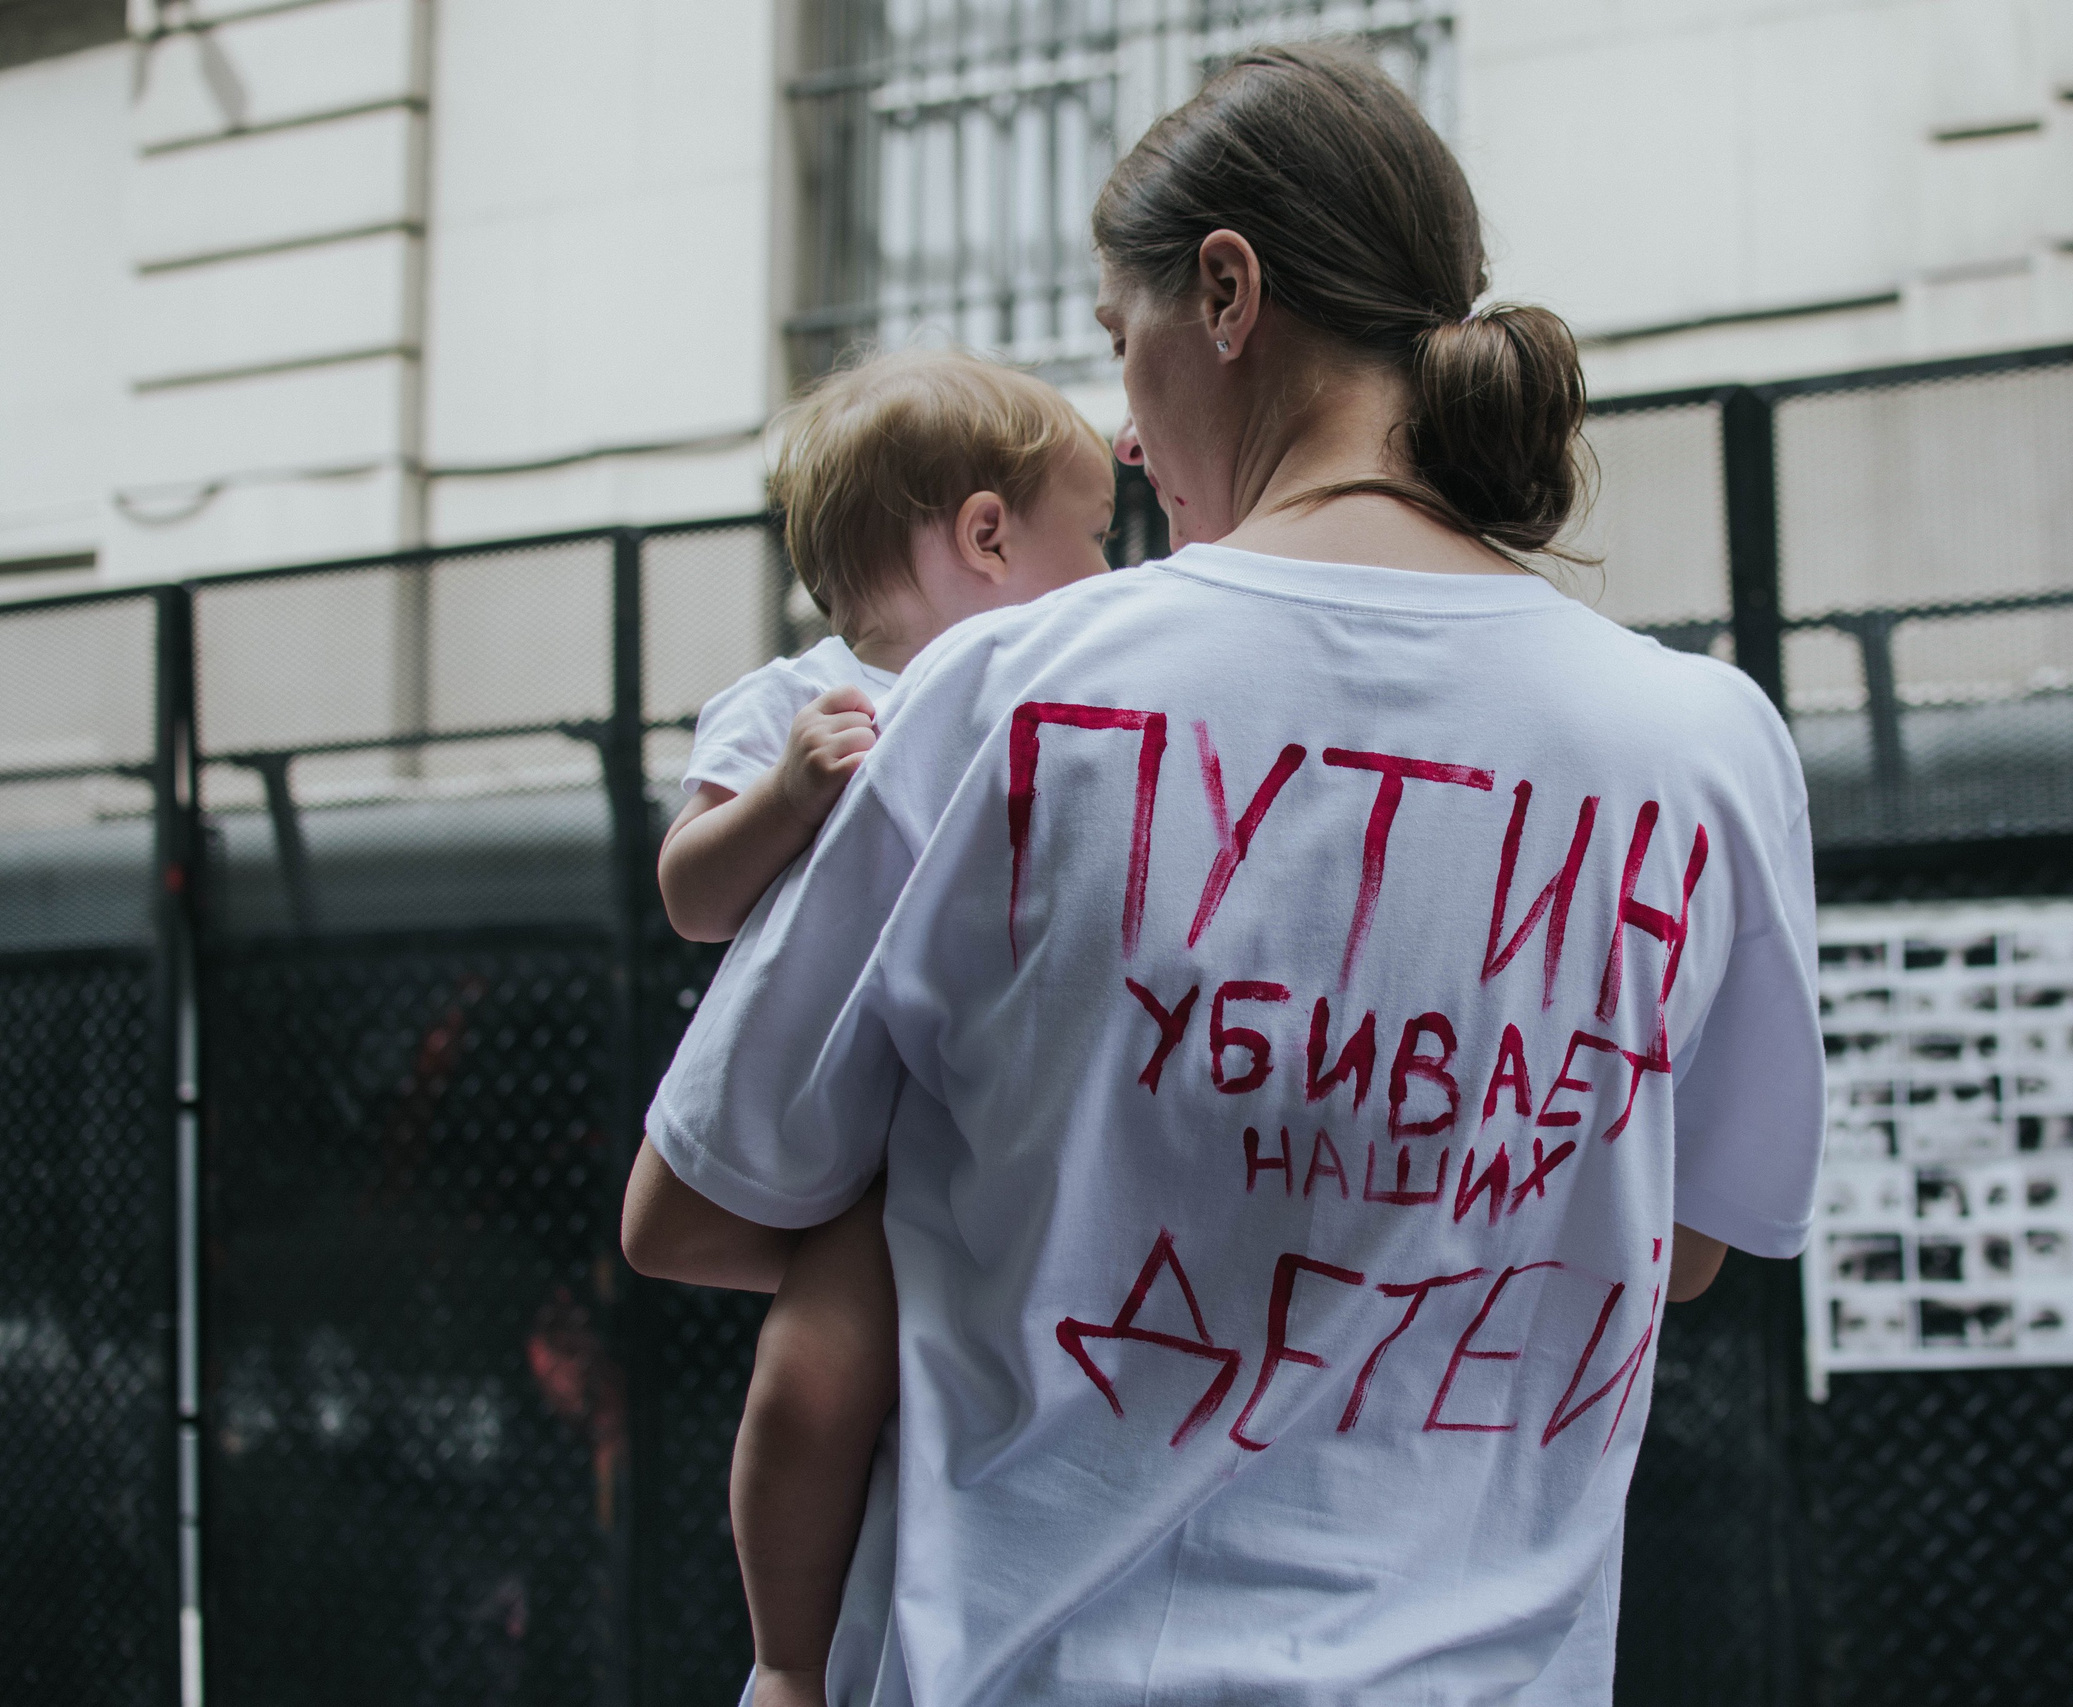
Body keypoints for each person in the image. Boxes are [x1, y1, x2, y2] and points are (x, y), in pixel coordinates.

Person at [626, 41, 1824, 1706]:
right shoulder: (1708, 748)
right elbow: (1678, 1246)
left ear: (1228, 293)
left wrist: (1052, 1180)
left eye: (1126, 350)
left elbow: (690, 1204)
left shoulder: (1013, 693)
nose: (1124, 432)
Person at [636, 348, 1117, 1707]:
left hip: (963, 1111)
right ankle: (789, 1662)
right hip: (840, 1131)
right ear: (985, 534)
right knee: (809, 1383)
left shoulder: (1059, 693)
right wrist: (786, 799)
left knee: (866, 1364)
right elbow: (691, 894)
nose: (1105, 571)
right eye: (1090, 538)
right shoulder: (805, 700)